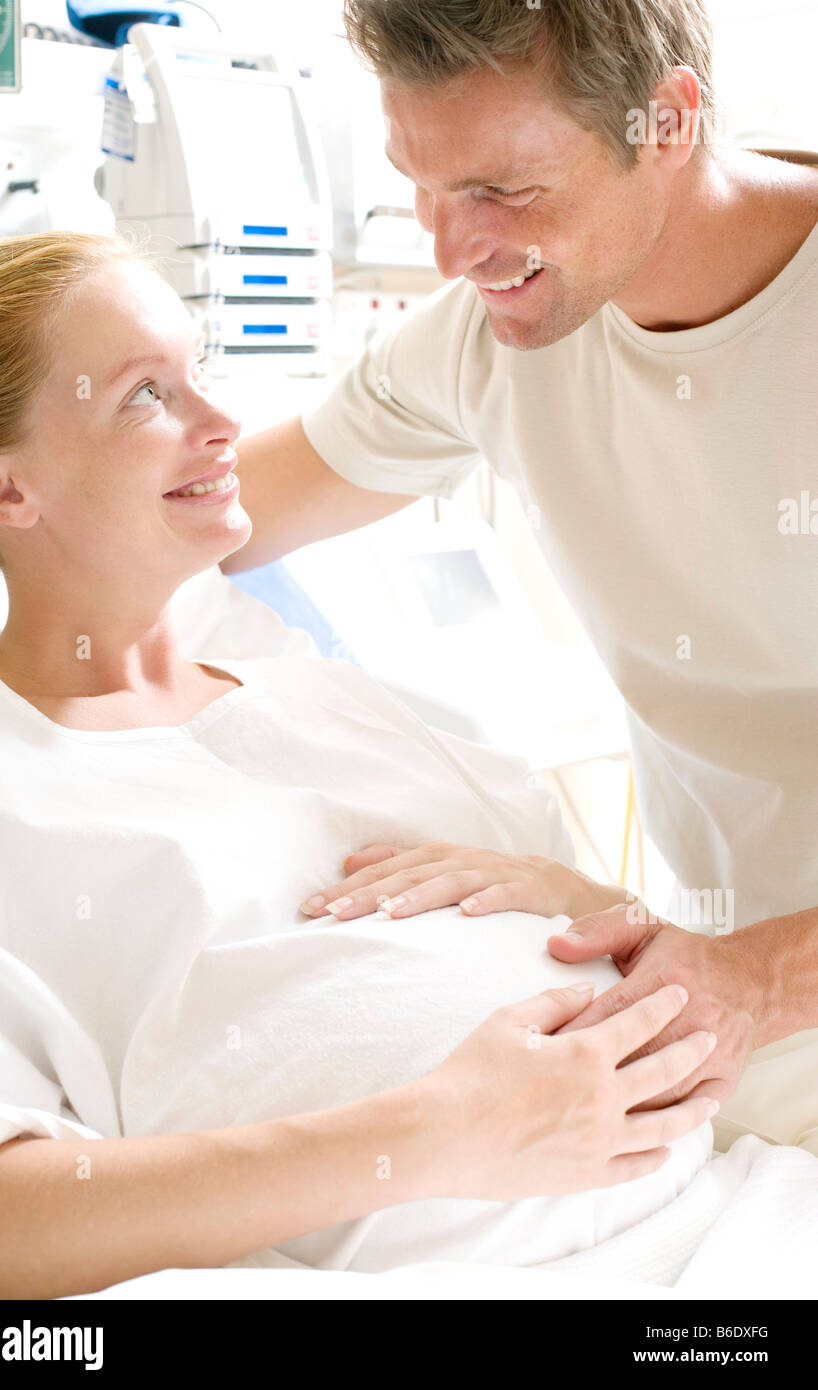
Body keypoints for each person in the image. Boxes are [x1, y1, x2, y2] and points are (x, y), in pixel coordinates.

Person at [0, 232, 718, 1300]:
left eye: (200, 372)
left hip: (730, 1216)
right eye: (143, 396)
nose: (221, 425)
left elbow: (609, 946)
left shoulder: (321, 698)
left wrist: (603, 902)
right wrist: (435, 1134)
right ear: (1, 487)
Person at [218, 0, 818, 1147]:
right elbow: (217, 514)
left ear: (665, 122)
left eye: (503, 190)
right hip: (739, 1040)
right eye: (420, 183)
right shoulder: (484, 336)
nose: (452, 249)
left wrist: (753, 977)